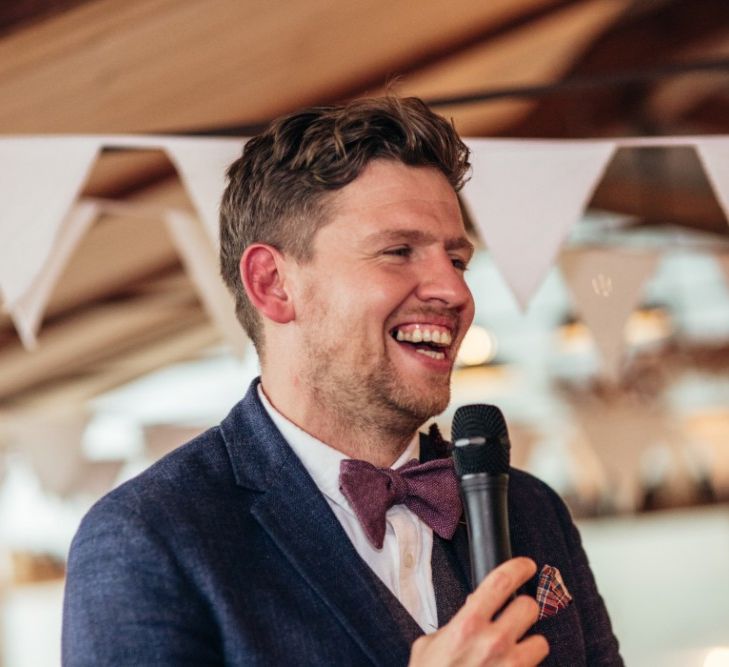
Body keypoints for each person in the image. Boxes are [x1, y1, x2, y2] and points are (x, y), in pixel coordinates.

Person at [62, 96, 622, 666]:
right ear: (273, 284)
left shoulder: (533, 509)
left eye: (457, 260)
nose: (454, 292)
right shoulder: (148, 537)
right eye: (398, 251)